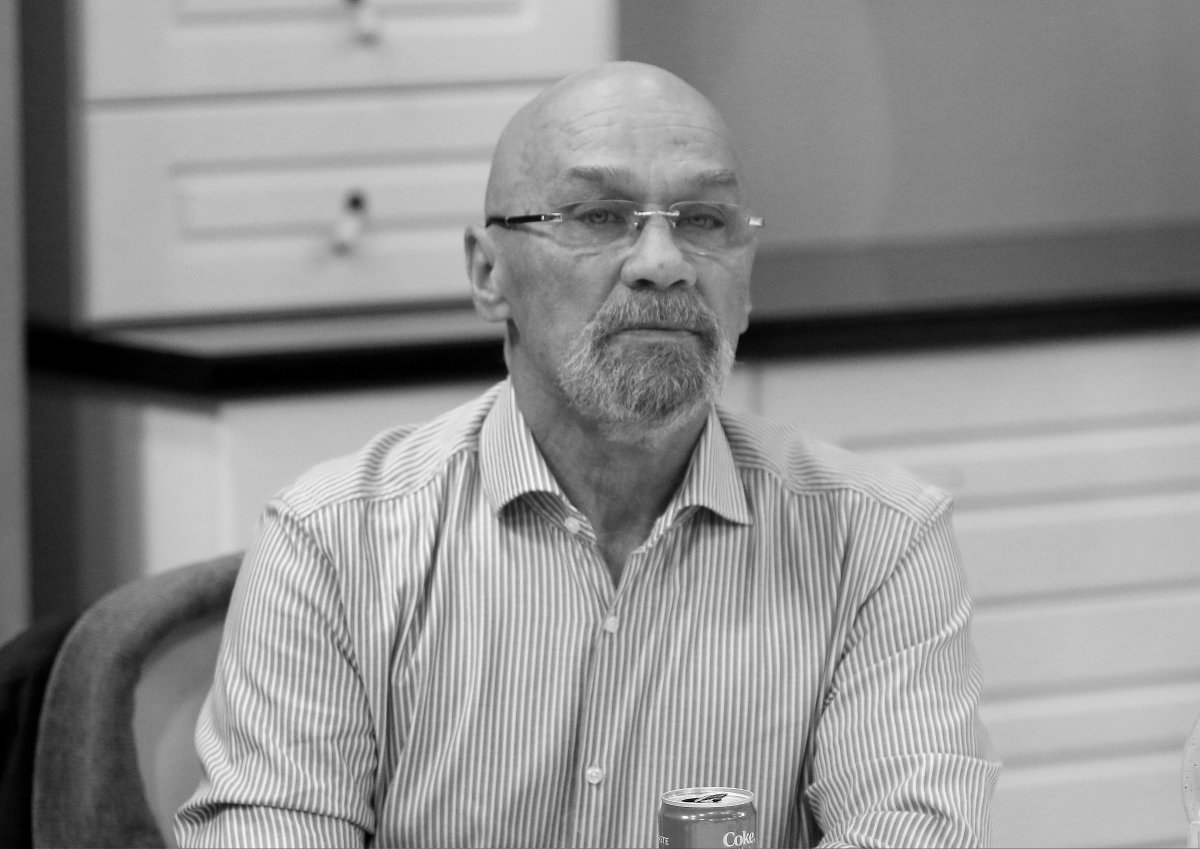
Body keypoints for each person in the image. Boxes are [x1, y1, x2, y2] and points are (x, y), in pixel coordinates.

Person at [175, 61, 999, 848]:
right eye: (600, 216)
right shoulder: (333, 543)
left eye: (703, 220)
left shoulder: (877, 541)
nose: (663, 264)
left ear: (745, 277)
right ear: (488, 272)